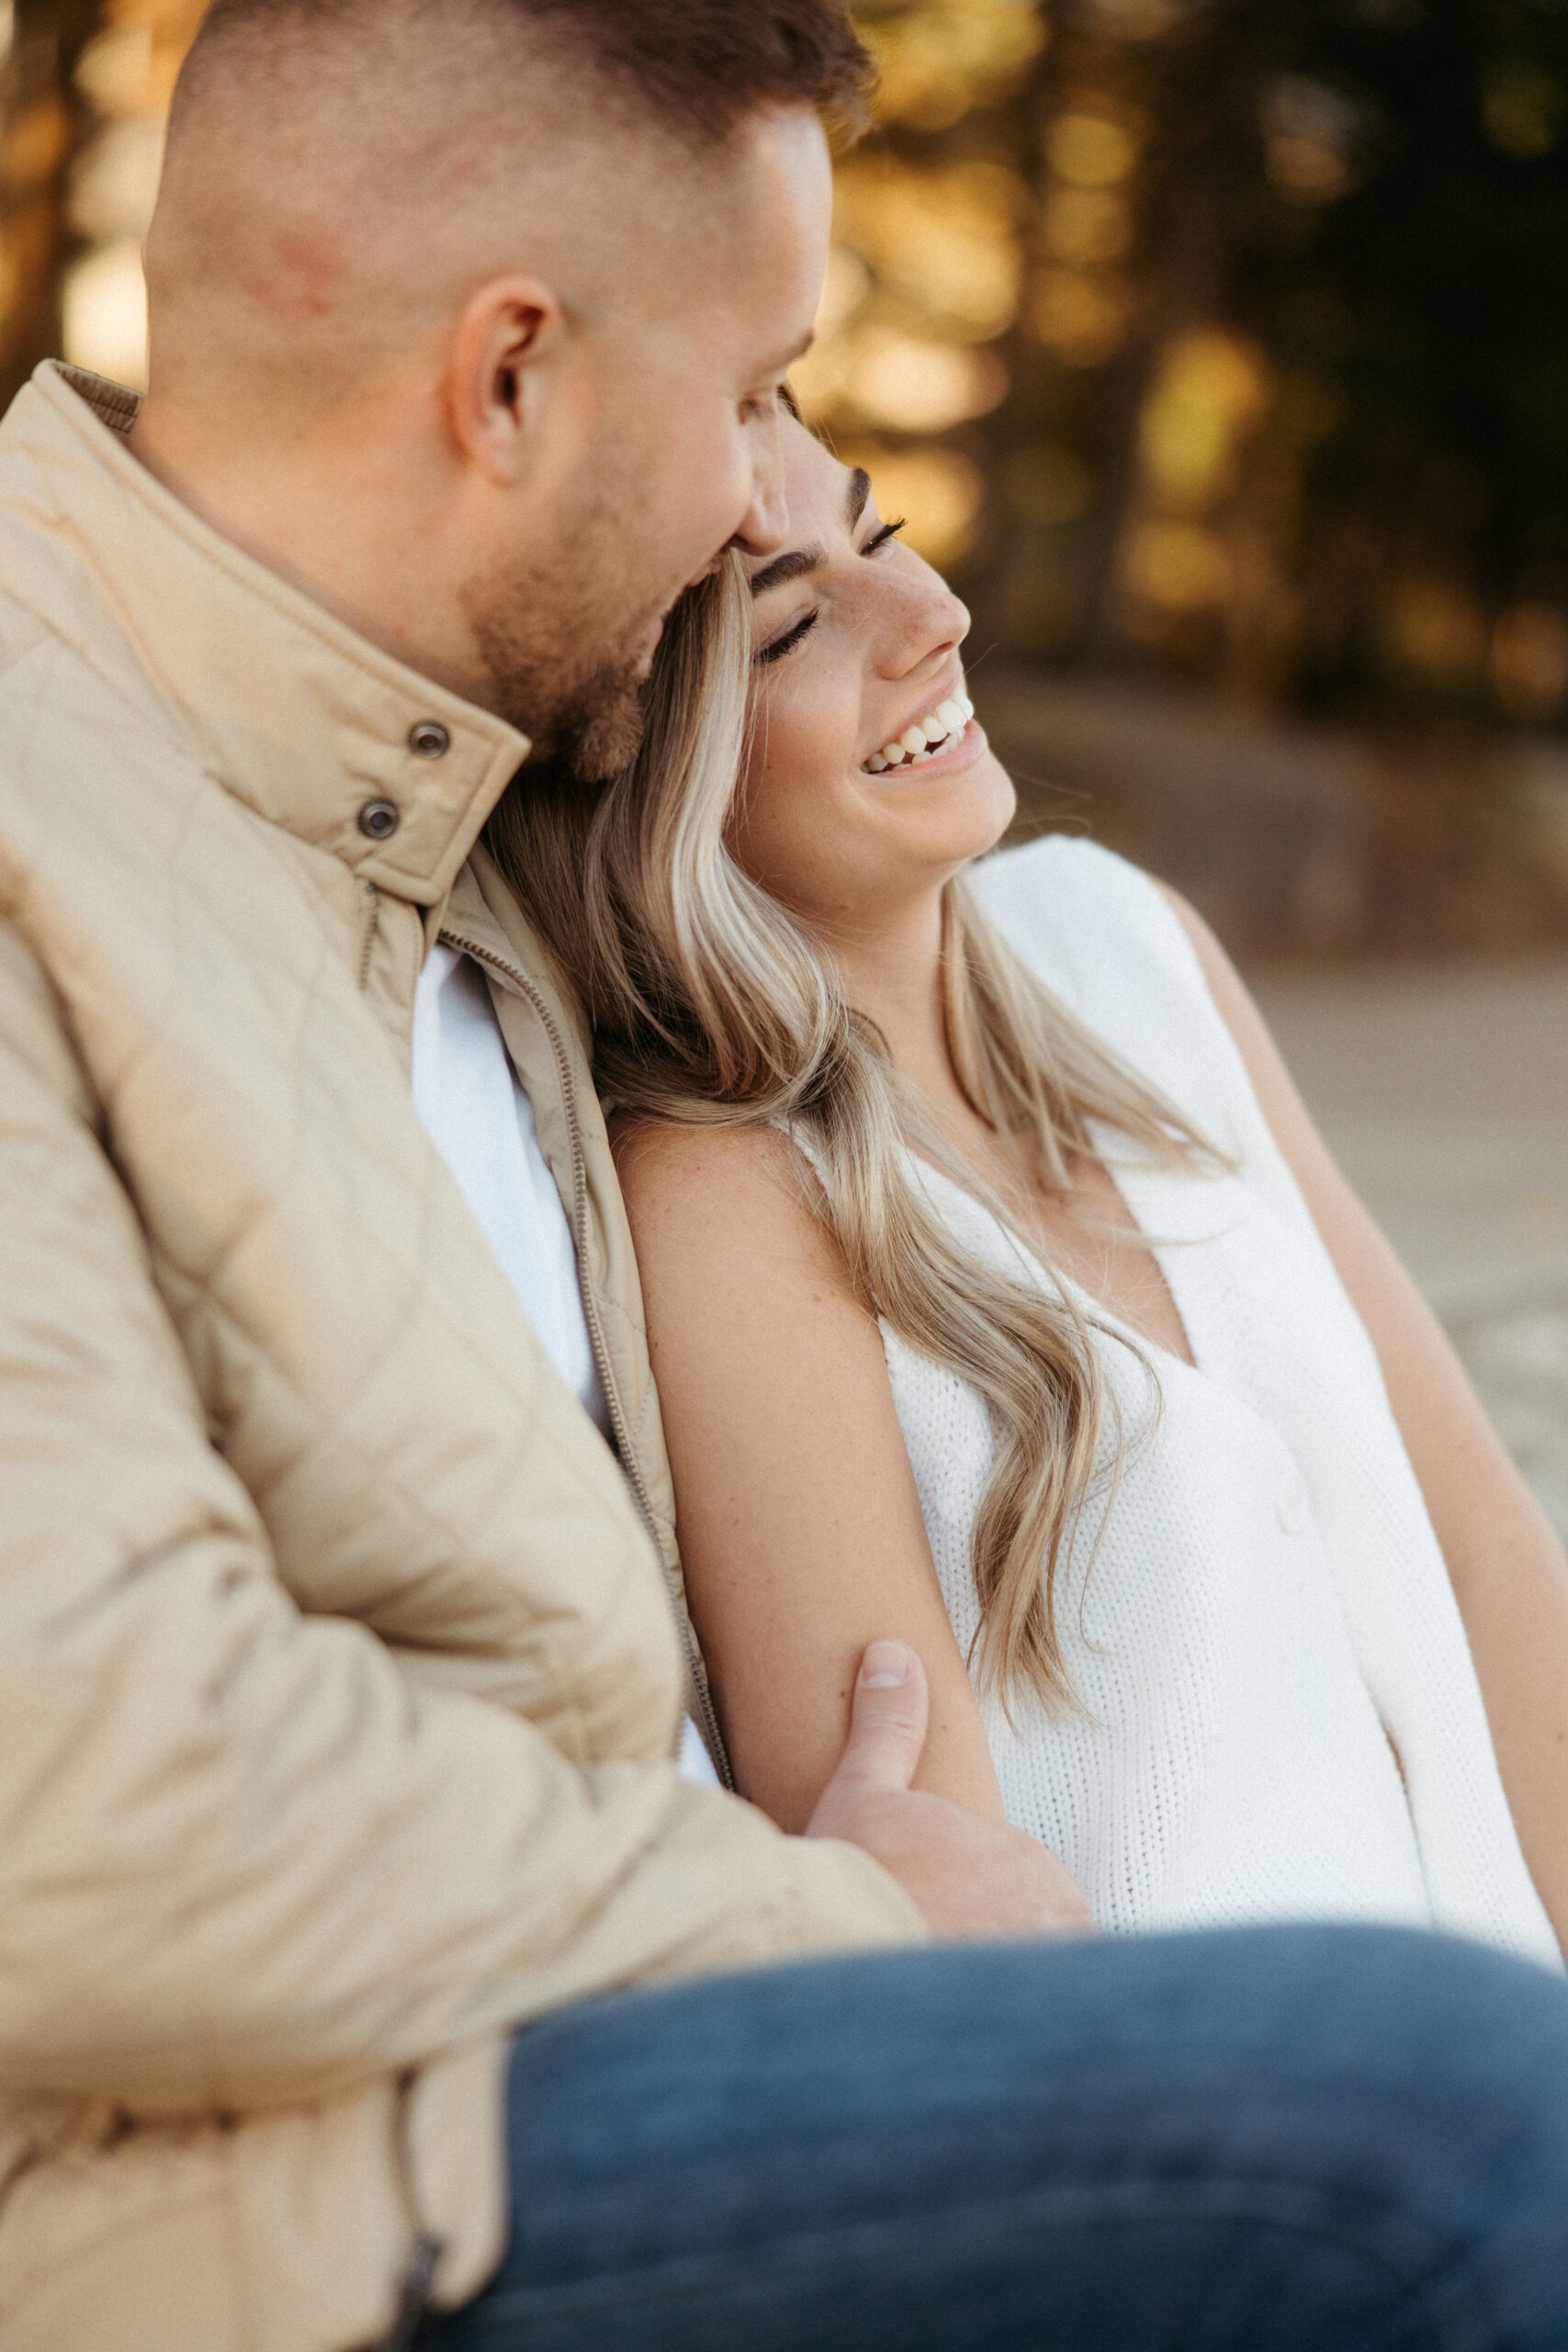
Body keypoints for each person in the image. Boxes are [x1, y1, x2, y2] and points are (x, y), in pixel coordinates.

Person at [1, 7, 1568, 2352]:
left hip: (602, 2037)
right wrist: (819, 1918)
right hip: (320, 2198)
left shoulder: (430, 810)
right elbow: (96, 1797)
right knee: (1445, 2124)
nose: (773, 490)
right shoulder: (77, 823)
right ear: (505, 378)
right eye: (751, 393)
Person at [495, 413, 1568, 1970]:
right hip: (1253, 2159)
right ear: (647, 779)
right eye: (798, 624)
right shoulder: (729, 1198)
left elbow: (1476, 1537)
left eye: (887, 536)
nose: (934, 619)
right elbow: (966, 1923)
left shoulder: (1122, 943)